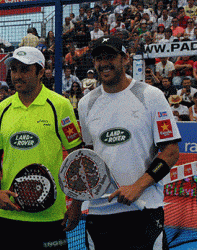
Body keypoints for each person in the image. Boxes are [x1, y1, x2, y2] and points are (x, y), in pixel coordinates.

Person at [71, 35, 181, 249]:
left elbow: (170, 151)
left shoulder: (151, 96)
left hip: (144, 210)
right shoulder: (86, 104)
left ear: (125, 59)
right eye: (98, 58)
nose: (103, 63)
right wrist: (76, 204)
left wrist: (137, 187)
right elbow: (88, 158)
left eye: (110, 56)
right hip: (99, 213)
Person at [0, 46, 82, 249]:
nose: (17, 76)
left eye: (24, 70)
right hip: (8, 216)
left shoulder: (60, 106)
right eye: (14, 70)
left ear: (40, 72)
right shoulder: (2, 109)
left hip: (50, 217)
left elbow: (77, 158)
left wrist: (77, 205)